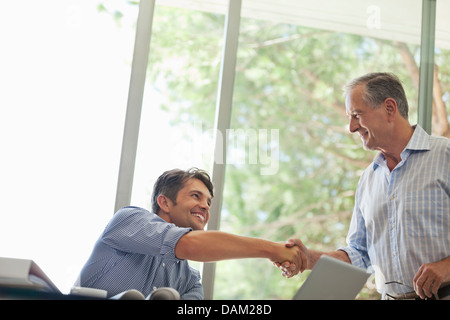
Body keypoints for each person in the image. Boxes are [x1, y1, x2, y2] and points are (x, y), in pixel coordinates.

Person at [281, 72, 449, 300]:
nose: (351, 127)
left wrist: (447, 266)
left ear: (390, 109)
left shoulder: (444, 156)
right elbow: (359, 254)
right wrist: (308, 258)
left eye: (357, 115)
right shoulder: (368, 179)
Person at [75, 168, 305, 299]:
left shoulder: (191, 281)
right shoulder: (129, 220)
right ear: (164, 202)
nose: (205, 206)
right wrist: (272, 250)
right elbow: (190, 245)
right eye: (196, 196)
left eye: (209, 202)